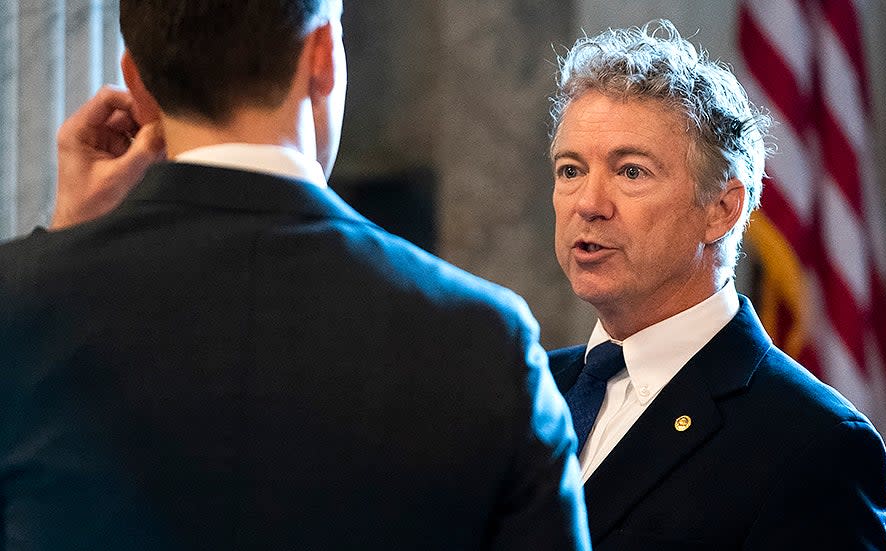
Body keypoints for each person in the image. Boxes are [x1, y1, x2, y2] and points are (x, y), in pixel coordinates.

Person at [0, 1, 590, 548]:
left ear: (137, 85)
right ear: (322, 57)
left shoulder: (18, 307)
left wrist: (61, 248)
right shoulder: (485, 339)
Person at [546, 21, 886, 549]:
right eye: (570, 170)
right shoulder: (528, 391)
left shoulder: (813, 444)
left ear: (721, 210)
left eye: (631, 172)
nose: (588, 204)